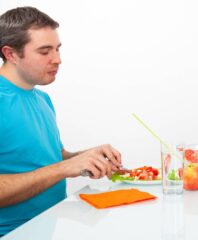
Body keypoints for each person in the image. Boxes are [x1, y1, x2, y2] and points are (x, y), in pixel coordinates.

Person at [0, 7, 123, 236]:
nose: (57, 59)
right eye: (44, 51)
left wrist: (86, 157)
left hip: (52, 225)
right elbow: (58, 167)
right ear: (11, 54)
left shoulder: (42, 98)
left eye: (57, 49)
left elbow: (52, 157)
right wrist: (65, 168)